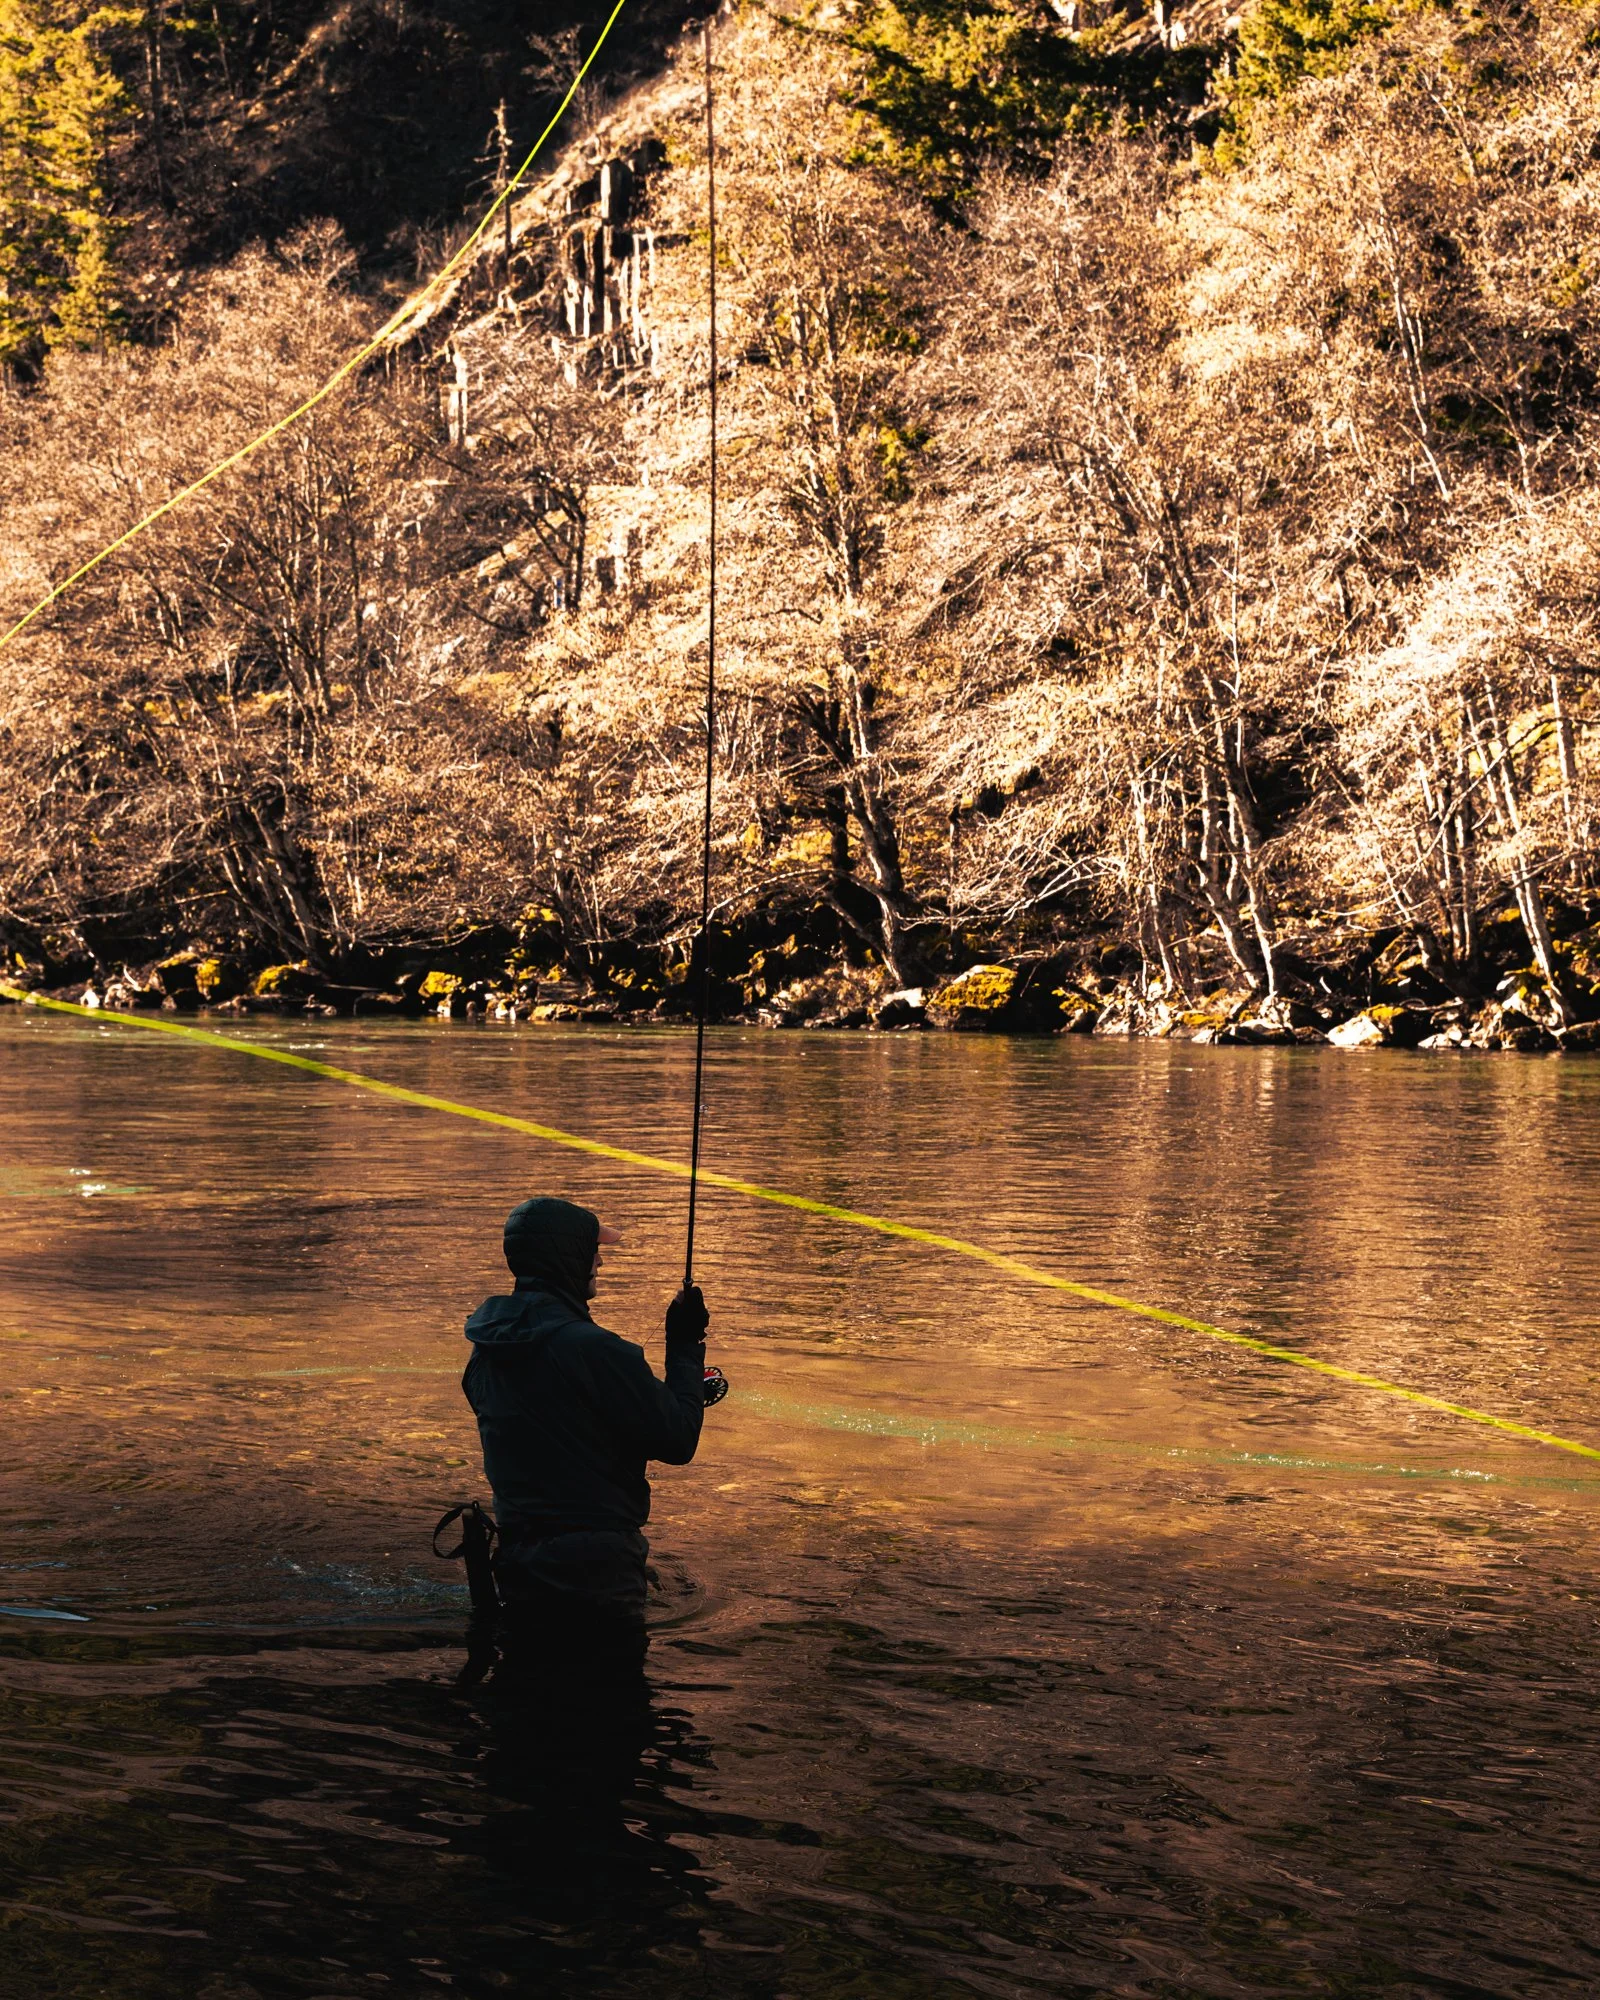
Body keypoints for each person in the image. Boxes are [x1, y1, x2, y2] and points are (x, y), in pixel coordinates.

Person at [461, 1195, 709, 1662]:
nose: (599, 1259)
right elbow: (678, 1439)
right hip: (600, 1580)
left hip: (517, 1568)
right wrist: (684, 1343)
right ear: (566, 1257)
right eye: (592, 1248)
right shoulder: (598, 1351)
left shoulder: (487, 1349)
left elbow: (551, 1424)